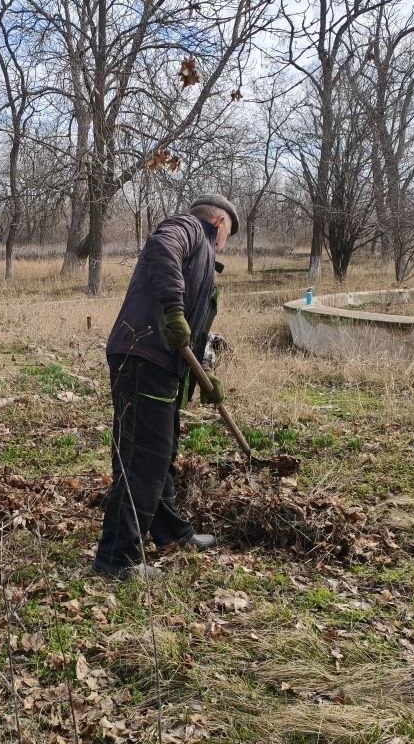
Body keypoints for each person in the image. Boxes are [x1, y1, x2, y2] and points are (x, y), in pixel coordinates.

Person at [93, 193, 239, 581]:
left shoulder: (203, 258)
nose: (225, 243)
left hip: (159, 365)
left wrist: (204, 379)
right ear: (220, 224)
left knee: (160, 451)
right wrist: (173, 309)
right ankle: (116, 558)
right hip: (145, 357)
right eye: (229, 235)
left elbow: (191, 333)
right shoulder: (191, 228)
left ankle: (171, 532)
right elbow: (161, 248)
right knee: (143, 457)